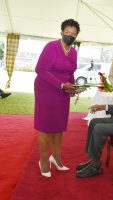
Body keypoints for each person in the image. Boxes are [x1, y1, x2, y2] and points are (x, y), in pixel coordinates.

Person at [34, 19, 80, 178]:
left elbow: (71, 72)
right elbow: (40, 69)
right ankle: (43, 160)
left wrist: (73, 87)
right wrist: (61, 85)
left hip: (63, 91)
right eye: (67, 32)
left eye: (73, 34)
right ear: (61, 32)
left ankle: (57, 157)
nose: (70, 35)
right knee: (46, 126)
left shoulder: (73, 52)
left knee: (59, 126)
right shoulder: (51, 47)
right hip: (46, 89)